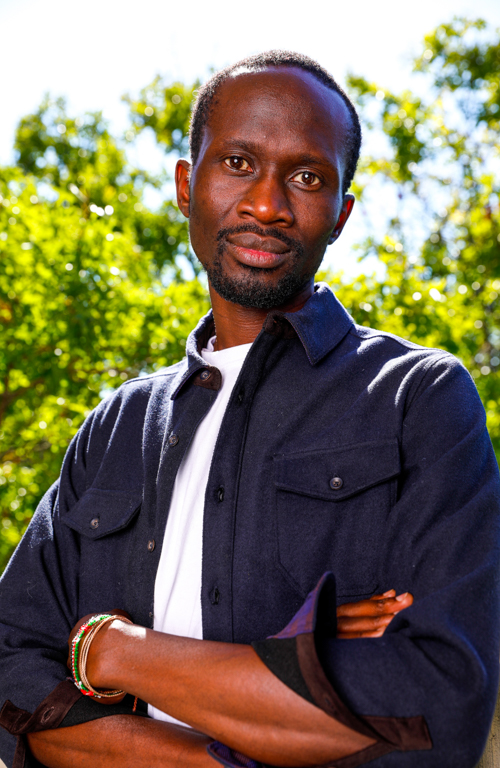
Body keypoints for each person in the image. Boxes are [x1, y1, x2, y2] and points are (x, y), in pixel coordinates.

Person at [0, 50, 499, 768]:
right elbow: (15, 678)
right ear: (185, 184)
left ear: (342, 214)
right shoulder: (114, 429)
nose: (267, 204)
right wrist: (240, 739)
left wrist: (109, 649)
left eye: (306, 177)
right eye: (237, 163)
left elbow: (436, 706)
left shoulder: (418, 401)